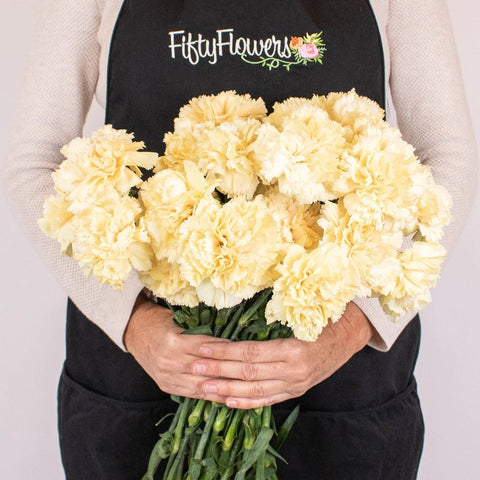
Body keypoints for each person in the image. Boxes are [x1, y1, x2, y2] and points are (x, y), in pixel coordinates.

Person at [2, 0, 477, 479]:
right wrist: (131, 319)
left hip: (340, 375)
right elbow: (34, 163)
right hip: (141, 368)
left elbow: (448, 158)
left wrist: (353, 327)